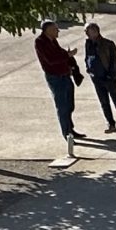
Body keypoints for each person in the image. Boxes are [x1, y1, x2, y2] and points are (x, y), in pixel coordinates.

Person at [35, 20, 84, 159]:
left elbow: (60, 53)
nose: (58, 31)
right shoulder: (40, 42)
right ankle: (67, 133)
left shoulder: (53, 41)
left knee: (70, 104)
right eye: (55, 29)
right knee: (62, 105)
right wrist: (67, 56)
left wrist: (69, 58)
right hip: (55, 77)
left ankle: (71, 129)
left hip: (65, 75)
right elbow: (50, 59)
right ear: (48, 30)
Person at [81, 21, 116, 132]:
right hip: (96, 78)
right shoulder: (88, 44)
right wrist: (89, 70)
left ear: (98, 31)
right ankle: (111, 123)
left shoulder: (108, 44)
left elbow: (114, 61)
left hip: (108, 77)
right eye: (88, 32)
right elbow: (87, 58)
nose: (90, 34)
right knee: (104, 102)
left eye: (93, 31)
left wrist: (111, 74)